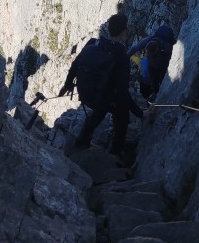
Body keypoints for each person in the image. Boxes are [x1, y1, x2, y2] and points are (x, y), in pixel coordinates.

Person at [58, 12, 143, 153]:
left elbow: (75, 64)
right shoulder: (121, 55)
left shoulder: (92, 43)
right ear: (124, 32)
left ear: (108, 30)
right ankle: (115, 152)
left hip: (84, 93)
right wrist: (140, 113)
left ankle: (83, 139)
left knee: (102, 107)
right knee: (121, 112)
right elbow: (122, 91)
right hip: (101, 98)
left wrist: (67, 85)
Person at [128, 24, 176, 97]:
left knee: (160, 81)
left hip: (162, 68)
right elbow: (135, 48)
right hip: (153, 66)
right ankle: (154, 94)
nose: (147, 56)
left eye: (149, 55)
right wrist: (124, 57)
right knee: (154, 82)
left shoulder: (167, 48)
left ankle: (158, 95)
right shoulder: (148, 40)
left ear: (157, 51)